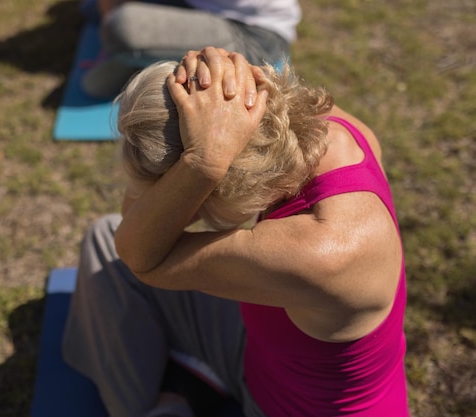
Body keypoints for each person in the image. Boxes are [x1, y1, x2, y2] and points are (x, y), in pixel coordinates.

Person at [63, 47, 411, 416]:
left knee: (124, 249)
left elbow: (144, 260)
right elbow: (133, 234)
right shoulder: (326, 126)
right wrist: (228, 82)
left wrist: (203, 162)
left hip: (284, 408)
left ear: (221, 186)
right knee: (106, 239)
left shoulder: (321, 252)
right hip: (263, 359)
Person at [80, 0, 300, 98]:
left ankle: (137, 56)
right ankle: (141, 52)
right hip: (201, 5)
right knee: (94, 10)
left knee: (122, 27)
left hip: (253, 31)